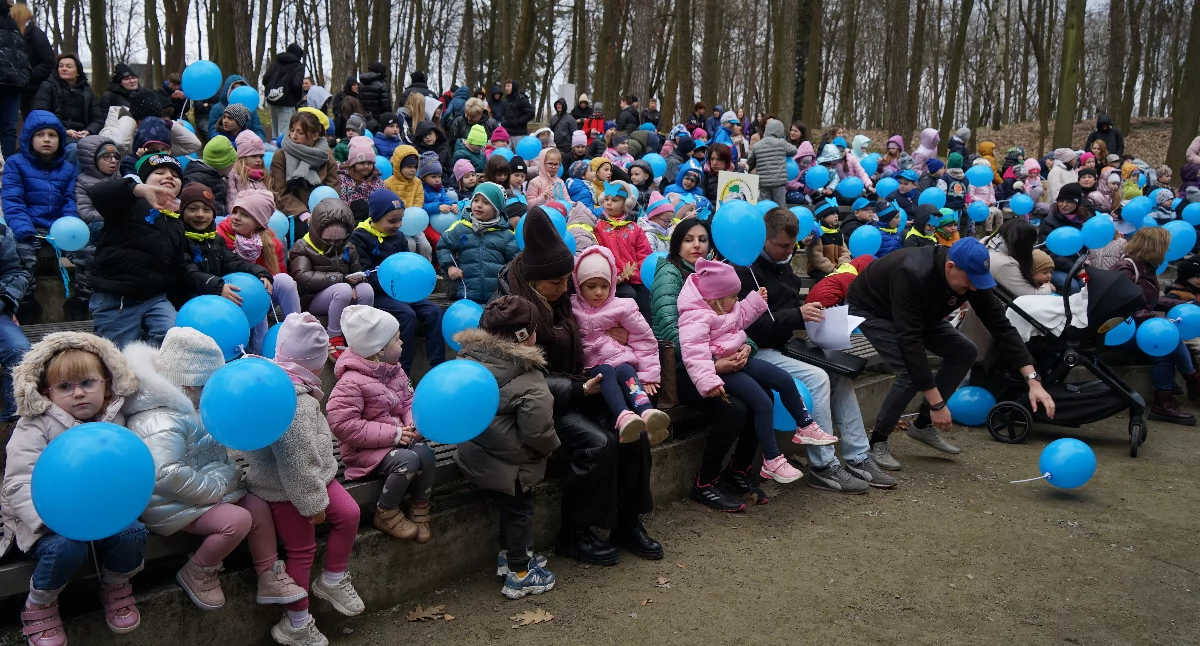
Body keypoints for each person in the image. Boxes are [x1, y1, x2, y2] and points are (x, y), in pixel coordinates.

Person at [497, 207, 660, 564]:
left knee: (634, 433)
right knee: (597, 443)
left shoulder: (559, 297)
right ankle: (574, 533)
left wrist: (617, 339)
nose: (564, 287)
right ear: (533, 278)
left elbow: (594, 326)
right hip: (540, 405)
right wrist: (579, 390)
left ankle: (627, 522)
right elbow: (514, 378)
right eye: (555, 282)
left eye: (564, 280)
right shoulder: (511, 311)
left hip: (582, 386)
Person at [122, 328, 307, 615]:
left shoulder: (199, 409)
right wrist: (216, 487)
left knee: (257, 504)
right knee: (237, 520)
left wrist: (224, 477)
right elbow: (165, 474)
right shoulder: (158, 419)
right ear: (187, 386)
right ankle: (198, 570)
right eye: (208, 387)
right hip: (169, 502)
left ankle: (269, 573)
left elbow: (215, 456)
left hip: (204, 489)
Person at [848, 238, 1056, 470]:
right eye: (969, 284)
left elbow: (1001, 326)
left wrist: (1032, 380)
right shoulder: (911, 273)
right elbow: (910, 342)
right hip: (874, 309)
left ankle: (923, 425)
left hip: (921, 313)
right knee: (909, 372)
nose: (974, 289)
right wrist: (937, 404)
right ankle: (877, 441)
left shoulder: (970, 276)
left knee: (964, 350)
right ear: (950, 267)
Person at [3, 332, 146, 643]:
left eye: (87, 383)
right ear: (46, 392)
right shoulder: (35, 425)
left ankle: (116, 584)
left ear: (106, 383)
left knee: (132, 534)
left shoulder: (113, 419)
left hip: (103, 511)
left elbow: (127, 469)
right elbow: (18, 480)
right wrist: (47, 519)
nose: (78, 393)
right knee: (66, 547)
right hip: (49, 517)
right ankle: (40, 603)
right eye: (65, 387)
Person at [738, 207, 893, 491]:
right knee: (818, 378)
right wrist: (799, 315)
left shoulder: (780, 263)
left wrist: (814, 317)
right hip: (756, 350)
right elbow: (752, 327)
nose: (788, 252)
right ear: (764, 239)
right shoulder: (744, 267)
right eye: (783, 245)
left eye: (792, 245)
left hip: (786, 345)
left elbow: (783, 312)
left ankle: (859, 456)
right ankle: (824, 466)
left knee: (839, 373)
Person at [240, 313, 365, 645]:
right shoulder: (291, 402)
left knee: (350, 513)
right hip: (285, 489)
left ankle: (333, 578)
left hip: (315, 476)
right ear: (315, 364)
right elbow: (294, 458)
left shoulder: (294, 385)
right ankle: (295, 623)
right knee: (301, 550)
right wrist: (312, 504)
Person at [454, 296, 561, 599]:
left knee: (510, 509)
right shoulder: (529, 378)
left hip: (475, 452)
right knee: (519, 511)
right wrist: (551, 448)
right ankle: (520, 572)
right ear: (526, 336)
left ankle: (510, 556)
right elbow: (537, 431)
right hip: (512, 465)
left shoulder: (467, 359)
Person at [650, 220, 760, 511]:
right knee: (734, 410)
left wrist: (748, 347)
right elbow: (669, 334)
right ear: (676, 245)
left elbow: (736, 321)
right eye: (688, 239)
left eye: (702, 239)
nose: (696, 245)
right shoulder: (669, 274)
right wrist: (714, 363)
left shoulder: (714, 274)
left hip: (716, 363)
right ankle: (705, 483)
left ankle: (738, 470)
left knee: (762, 398)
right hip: (682, 369)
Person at [326, 304, 435, 542]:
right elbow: (343, 426)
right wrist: (394, 434)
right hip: (362, 451)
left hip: (395, 439)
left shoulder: (395, 371)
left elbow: (408, 401)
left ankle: (420, 505)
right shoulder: (351, 382)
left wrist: (412, 424)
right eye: (397, 340)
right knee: (408, 459)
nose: (403, 343)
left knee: (425, 453)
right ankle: (385, 511)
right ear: (378, 350)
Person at [571, 246, 671, 444]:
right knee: (606, 372)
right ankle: (623, 415)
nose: (599, 292)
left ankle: (648, 414)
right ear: (579, 285)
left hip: (620, 356)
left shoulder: (622, 306)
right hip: (594, 364)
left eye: (604, 286)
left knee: (626, 370)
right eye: (591, 286)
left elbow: (644, 338)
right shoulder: (572, 307)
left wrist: (649, 375)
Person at [89, 154, 187, 346]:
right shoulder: (127, 202)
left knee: (174, 339)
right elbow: (98, 193)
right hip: (116, 299)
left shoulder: (176, 223)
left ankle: (149, 369)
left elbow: (176, 267)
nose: (168, 176)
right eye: (159, 172)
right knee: (121, 354)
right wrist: (136, 189)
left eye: (175, 175)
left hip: (155, 299)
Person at [351, 189, 446, 374]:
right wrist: (392, 287)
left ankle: (438, 365)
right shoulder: (360, 237)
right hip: (379, 293)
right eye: (392, 221)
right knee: (406, 315)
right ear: (376, 217)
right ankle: (404, 370)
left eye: (400, 220)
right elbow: (365, 274)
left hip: (403, 292)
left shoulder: (399, 237)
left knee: (433, 311)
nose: (398, 225)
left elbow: (406, 265)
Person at [1111, 228, 1200, 425]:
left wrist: (1183, 305)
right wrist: (1156, 320)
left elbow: (1149, 301)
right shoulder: (1127, 269)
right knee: (1166, 341)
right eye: (1165, 247)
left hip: (1136, 325)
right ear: (1155, 247)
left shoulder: (1144, 267)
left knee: (1164, 344)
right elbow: (1124, 306)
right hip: (1120, 330)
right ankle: (1187, 385)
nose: (1168, 250)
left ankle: (1169, 398)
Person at [3, 110, 77, 320]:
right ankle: (26, 304)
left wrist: (68, 225)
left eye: (52, 135)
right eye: (40, 134)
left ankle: (80, 300)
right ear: (29, 138)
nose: (46, 139)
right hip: (29, 227)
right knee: (21, 258)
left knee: (89, 254)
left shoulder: (68, 169)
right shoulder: (15, 163)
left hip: (59, 227)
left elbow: (69, 201)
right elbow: (13, 201)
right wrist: (23, 229)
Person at [217, 189, 302, 354]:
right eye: (235, 212)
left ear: (258, 222)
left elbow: (278, 273)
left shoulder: (270, 242)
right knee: (256, 294)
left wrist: (266, 278)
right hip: (233, 298)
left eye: (245, 215)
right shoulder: (220, 236)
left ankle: (298, 329)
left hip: (262, 297)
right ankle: (259, 353)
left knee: (284, 280)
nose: (236, 217)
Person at [288, 197, 373, 359]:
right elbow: (303, 277)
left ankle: (361, 333)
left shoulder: (348, 247)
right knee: (343, 290)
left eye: (339, 239)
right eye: (328, 240)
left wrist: (358, 279)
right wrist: (340, 278)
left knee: (366, 289)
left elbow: (356, 270)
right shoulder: (302, 246)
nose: (334, 243)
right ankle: (334, 337)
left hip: (343, 291)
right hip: (311, 298)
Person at [174, 183, 273, 309]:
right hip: (188, 300)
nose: (200, 214)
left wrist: (259, 272)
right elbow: (188, 273)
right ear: (182, 212)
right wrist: (217, 286)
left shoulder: (215, 239)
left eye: (207, 210)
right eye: (193, 209)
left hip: (213, 294)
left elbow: (232, 263)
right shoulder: (178, 238)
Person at [436, 182, 518, 303]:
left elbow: (515, 262)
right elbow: (443, 246)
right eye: (476, 200)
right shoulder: (461, 228)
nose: (479, 205)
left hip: (496, 299)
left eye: (486, 202)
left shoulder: (506, 235)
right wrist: (450, 266)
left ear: (496, 209)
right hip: (465, 294)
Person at [594, 181, 653, 319]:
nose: (608, 203)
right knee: (629, 297)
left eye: (614, 200)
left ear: (626, 204)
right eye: (606, 199)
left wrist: (639, 274)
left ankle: (648, 336)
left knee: (646, 302)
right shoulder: (599, 227)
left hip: (636, 278)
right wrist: (615, 275)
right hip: (614, 279)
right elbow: (600, 254)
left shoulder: (635, 228)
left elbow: (644, 253)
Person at [271, 111, 339, 224]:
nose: (293, 136)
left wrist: (321, 215)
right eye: (292, 130)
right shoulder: (281, 156)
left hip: (324, 214)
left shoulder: (327, 159)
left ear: (314, 136)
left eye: (300, 132)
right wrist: (304, 215)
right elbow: (280, 193)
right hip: (292, 216)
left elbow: (333, 191)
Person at [31, 53, 103, 141]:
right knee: (74, 148)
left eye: (69, 66)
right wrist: (64, 130)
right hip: (56, 133)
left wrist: (88, 131)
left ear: (78, 72)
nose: (64, 69)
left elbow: (97, 119)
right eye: (61, 66)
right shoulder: (47, 86)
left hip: (83, 135)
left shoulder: (87, 90)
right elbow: (41, 116)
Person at [746, 119, 796, 206]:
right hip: (778, 182)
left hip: (763, 182)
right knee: (780, 206)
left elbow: (750, 163)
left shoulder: (757, 145)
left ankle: (763, 218)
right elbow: (794, 151)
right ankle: (781, 219)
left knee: (764, 205)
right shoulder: (781, 143)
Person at [262, 44, 306, 137]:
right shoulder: (298, 66)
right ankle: (282, 151)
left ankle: (273, 149)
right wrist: (296, 99)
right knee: (284, 133)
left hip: (273, 100)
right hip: (287, 102)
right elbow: (297, 84)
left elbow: (265, 79)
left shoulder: (276, 63)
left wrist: (272, 90)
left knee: (274, 131)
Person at [206, 75, 267, 141]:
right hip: (226, 146)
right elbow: (213, 131)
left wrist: (257, 142)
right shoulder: (218, 108)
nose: (236, 91)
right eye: (233, 88)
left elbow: (258, 130)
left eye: (239, 88)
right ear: (227, 89)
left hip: (249, 145)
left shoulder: (251, 109)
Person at [806, 198, 850, 279]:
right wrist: (831, 269)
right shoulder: (817, 233)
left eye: (837, 213)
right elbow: (815, 256)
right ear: (822, 216)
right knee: (830, 280)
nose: (836, 215)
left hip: (837, 269)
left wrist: (843, 265)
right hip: (819, 269)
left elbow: (845, 251)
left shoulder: (838, 233)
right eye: (832, 213)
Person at [227, 129, 273, 194]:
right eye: (254, 156)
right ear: (243, 157)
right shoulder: (234, 175)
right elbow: (231, 197)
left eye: (261, 156)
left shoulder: (264, 175)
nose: (258, 160)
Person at [499, 80, 534, 144]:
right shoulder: (506, 100)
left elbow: (531, 113)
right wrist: (503, 122)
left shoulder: (521, 99)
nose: (506, 88)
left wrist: (519, 121)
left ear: (514, 86)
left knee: (518, 153)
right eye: (506, 86)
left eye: (508, 86)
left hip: (519, 133)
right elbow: (503, 114)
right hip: (506, 133)